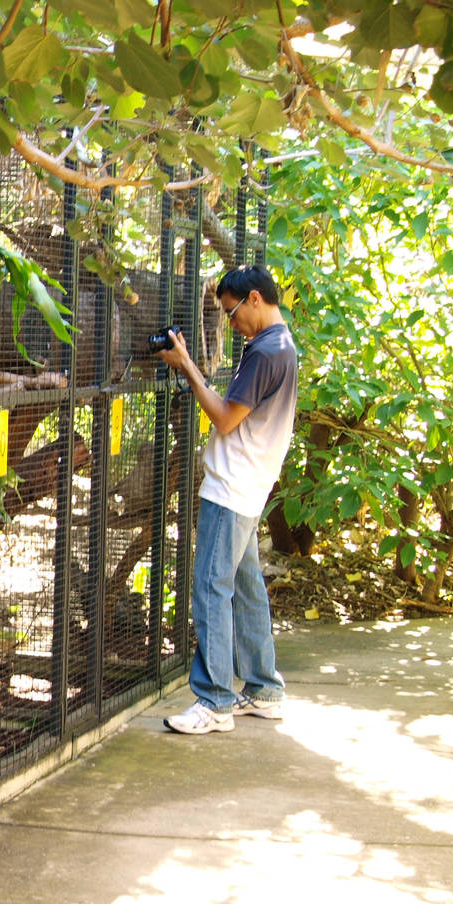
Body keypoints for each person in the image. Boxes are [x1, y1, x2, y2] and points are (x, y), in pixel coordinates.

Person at [153, 264, 298, 734]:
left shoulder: (267, 352)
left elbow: (225, 419)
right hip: (251, 487)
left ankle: (214, 701)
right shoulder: (278, 345)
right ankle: (264, 688)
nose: (231, 323)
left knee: (212, 588)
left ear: (255, 299)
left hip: (233, 488)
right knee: (248, 586)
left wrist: (187, 367)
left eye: (232, 313)